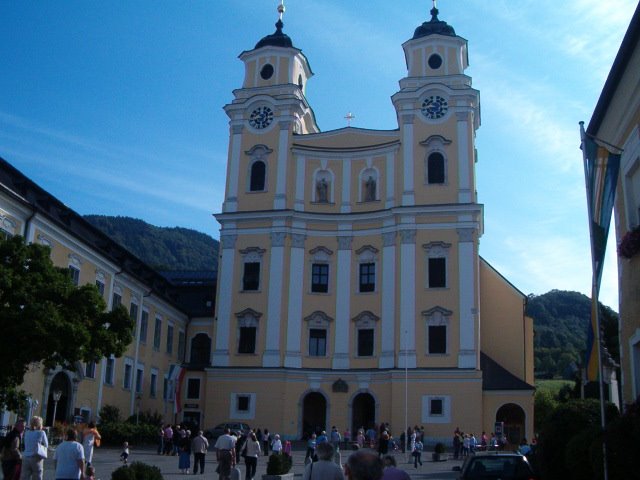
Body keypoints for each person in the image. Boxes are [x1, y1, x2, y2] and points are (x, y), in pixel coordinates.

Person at [21, 416, 48, 480]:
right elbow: (46, 445)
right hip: (36, 457)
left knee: (25, 476)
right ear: (40, 424)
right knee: (37, 476)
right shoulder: (41, 433)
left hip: (26, 457)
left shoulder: (27, 433)